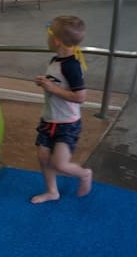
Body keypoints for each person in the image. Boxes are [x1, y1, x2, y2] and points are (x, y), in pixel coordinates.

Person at [31, 15, 92, 204]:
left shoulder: (72, 66)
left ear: (56, 40)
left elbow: (80, 97)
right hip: (49, 119)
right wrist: (46, 82)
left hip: (67, 123)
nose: (47, 39)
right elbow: (59, 84)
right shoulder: (56, 60)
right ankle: (52, 191)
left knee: (60, 163)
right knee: (43, 156)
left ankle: (84, 174)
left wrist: (52, 88)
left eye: (48, 36)